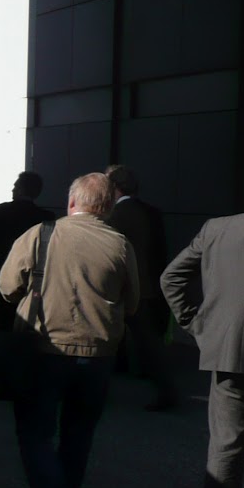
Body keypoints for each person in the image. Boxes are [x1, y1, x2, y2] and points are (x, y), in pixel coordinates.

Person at [0, 173, 139, 488]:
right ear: (107, 207)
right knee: (79, 434)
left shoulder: (41, 234)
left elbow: (7, 285)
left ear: (72, 202)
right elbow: (134, 301)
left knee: (35, 432)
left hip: (45, 350)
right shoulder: (121, 245)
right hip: (99, 355)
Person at [159, 163, 244, 488]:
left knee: (226, 443)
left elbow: (171, 278)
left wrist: (197, 324)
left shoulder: (217, 229)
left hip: (228, 351)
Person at [105, 164, 178, 411]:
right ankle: (164, 388)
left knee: (115, 336)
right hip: (150, 285)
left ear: (114, 187)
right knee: (149, 341)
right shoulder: (152, 212)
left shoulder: (115, 215)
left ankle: (167, 392)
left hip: (128, 287)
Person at [0, 171, 53, 332]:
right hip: (35, 278)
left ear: (20, 189)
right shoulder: (47, 217)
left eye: (15, 186)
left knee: (2, 323)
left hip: (3, 274)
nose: (12, 190)